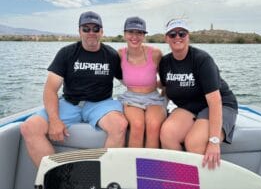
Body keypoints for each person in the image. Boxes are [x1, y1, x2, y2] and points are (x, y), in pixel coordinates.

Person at [20, 11, 128, 167]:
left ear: (102, 32)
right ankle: (56, 180)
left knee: (120, 125)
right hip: (70, 104)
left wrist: (155, 86)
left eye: (96, 29)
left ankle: (105, 178)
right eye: (86, 28)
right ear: (79, 31)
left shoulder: (111, 55)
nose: (91, 33)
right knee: (29, 128)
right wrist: (55, 120)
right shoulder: (66, 53)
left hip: (101, 104)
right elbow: (50, 89)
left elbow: (129, 82)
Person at [158, 18, 238, 169]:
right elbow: (165, 88)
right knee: (167, 134)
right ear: (166, 38)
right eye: (172, 34)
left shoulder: (202, 60)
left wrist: (214, 141)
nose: (177, 38)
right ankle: (181, 178)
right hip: (190, 106)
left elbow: (215, 102)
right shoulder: (165, 63)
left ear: (188, 36)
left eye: (182, 33)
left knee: (194, 142)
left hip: (219, 104)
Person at [118, 16, 167, 148]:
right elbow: (114, 74)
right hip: (131, 98)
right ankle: (132, 166)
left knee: (153, 126)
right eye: (130, 32)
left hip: (153, 98)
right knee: (138, 125)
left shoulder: (156, 53)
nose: (135, 36)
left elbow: (166, 79)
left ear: (144, 35)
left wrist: (162, 93)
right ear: (124, 34)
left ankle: (149, 168)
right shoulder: (119, 54)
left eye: (139, 32)